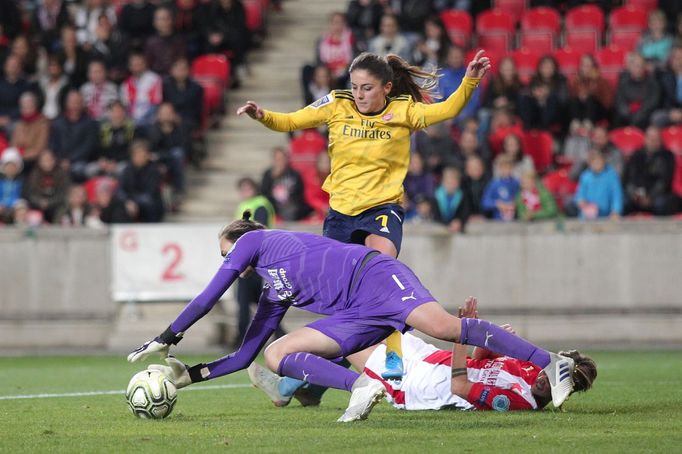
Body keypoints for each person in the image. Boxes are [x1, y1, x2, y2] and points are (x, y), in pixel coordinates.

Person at [128, 214, 578, 422]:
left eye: (225, 251)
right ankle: (361, 388)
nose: (227, 259)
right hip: (356, 311)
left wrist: (165, 336)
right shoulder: (274, 288)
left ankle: (552, 363)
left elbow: (209, 294)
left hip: (376, 277)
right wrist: (190, 374)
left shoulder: (259, 241)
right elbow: (244, 353)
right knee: (275, 353)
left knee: (442, 326)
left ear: (239, 240)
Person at [236, 49, 490, 379]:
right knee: (348, 306)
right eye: (354, 87)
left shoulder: (403, 111)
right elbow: (292, 120)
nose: (358, 94)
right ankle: (312, 383)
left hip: (382, 209)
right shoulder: (335, 103)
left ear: (386, 87)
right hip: (341, 215)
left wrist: (470, 80)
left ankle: (394, 352)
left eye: (367, 88)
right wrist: (261, 115)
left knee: (381, 275)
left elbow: (448, 109)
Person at [248, 299, 597, 412]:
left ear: (563, 387)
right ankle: (306, 389)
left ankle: (288, 387)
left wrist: (462, 330)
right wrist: (493, 339)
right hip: (428, 358)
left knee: (349, 339)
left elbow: (460, 388)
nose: (541, 375)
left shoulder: (518, 400)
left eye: (550, 378)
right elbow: (479, 360)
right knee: (370, 325)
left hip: (413, 384)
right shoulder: (526, 367)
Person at [232, 177, 284, 345]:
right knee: (258, 302)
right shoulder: (246, 205)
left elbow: (258, 230)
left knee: (244, 300)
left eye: (247, 188)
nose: (245, 192)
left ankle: (241, 338)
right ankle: (280, 334)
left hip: (253, 260)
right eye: (242, 189)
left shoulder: (259, 204)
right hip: (251, 259)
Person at [571, 150, 623, 221]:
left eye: (599, 161)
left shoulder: (612, 176)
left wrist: (615, 211)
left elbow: (616, 196)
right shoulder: (585, 176)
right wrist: (581, 201)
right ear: (589, 163)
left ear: (604, 161)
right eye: (594, 162)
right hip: (588, 213)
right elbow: (580, 193)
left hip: (606, 214)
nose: (596, 164)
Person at [482, 154, 520, 221]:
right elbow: (485, 202)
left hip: (515, 219)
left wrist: (516, 202)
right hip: (498, 220)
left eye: (509, 167)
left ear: (513, 168)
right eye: (504, 168)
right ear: (499, 168)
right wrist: (497, 204)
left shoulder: (517, 182)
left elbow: (523, 197)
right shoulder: (494, 184)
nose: (507, 170)